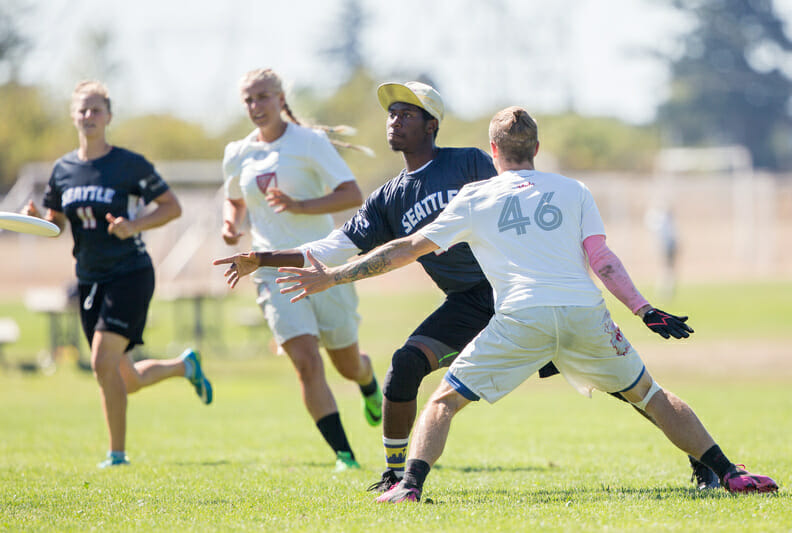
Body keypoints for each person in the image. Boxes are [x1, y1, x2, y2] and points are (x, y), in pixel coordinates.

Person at [214, 81, 719, 491]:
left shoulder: (473, 164)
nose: (394, 120)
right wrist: (261, 257)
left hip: (517, 294)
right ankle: (395, 473)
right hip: (470, 304)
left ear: (431, 125)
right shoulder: (388, 198)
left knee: (625, 389)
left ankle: (702, 461)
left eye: (406, 113)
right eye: (391, 113)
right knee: (405, 366)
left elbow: (522, 187)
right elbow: (330, 249)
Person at [23, 80, 212, 468]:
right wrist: (35, 222)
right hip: (89, 278)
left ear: (109, 116)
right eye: (82, 110)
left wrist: (134, 225)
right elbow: (55, 224)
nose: (88, 116)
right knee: (124, 377)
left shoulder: (129, 164)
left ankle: (117, 455)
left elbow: (171, 207)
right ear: (73, 115)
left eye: (96, 109)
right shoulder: (63, 170)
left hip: (130, 273)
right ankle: (184, 366)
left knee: (99, 363)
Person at [219, 68, 380, 472]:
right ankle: (345, 456)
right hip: (270, 269)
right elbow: (235, 199)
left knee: (347, 365)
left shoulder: (309, 142)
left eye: (263, 97)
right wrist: (230, 224)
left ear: (280, 98)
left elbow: (352, 193)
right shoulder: (237, 153)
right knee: (307, 361)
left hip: (322, 264)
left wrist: (299, 205)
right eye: (249, 100)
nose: (256, 106)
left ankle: (368, 382)